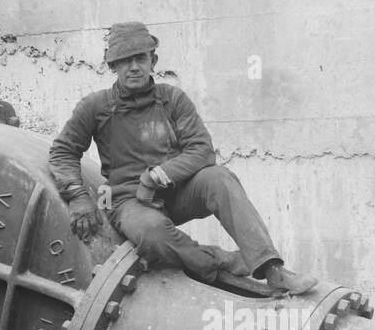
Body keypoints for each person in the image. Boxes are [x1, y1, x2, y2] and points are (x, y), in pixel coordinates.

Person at [48, 21, 318, 295]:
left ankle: (272, 269)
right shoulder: (95, 107)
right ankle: (218, 260)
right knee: (151, 233)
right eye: (124, 61)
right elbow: (63, 151)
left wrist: (155, 177)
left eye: (140, 58)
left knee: (219, 178)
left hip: (176, 193)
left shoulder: (172, 99)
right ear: (112, 67)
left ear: (153, 60)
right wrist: (77, 196)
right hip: (130, 203)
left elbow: (202, 150)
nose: (134, 67)